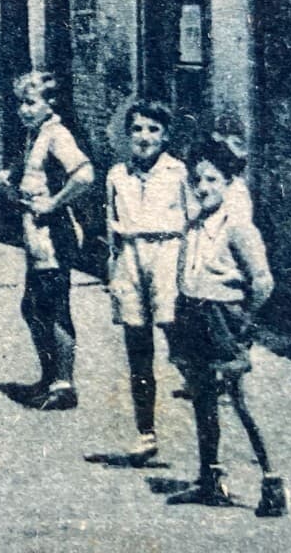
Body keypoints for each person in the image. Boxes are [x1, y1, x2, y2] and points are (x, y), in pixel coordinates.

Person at [167, 136, 286, 517]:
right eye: (197, 180)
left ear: (229, 182)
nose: (203, 187)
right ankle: (210, 478)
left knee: (239, 399)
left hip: (224, 318)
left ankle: (272, 480)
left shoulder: (238, 227)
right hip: (192, 314)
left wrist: (244, 319)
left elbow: (263, 281)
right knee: (201, 396)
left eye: (212, 179)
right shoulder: (193, 224)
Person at [0, 70, 93, 402]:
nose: (23, 110)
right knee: (33, 307)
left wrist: (54, 202)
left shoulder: (57, 135)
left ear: (50, 103)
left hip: (54, 232)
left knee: (53, 305)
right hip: (35, 233)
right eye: (20, 103)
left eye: (30, 102)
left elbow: (84, 175)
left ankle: (63, 384)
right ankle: (49, 377)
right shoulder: (37, 134)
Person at [105, 99, 189, 464]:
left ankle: (202, 389)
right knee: (138, 350)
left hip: (167, 253)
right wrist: (114, 272)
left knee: (177, 337)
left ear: (165, 135)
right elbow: (111, 226)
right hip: (130, 256)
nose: (144, 137)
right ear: (127, 134)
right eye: (137, 129)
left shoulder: (178, 172)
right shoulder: (117, 175)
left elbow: (191, 221)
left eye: (153, 130)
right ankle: (146, 432)